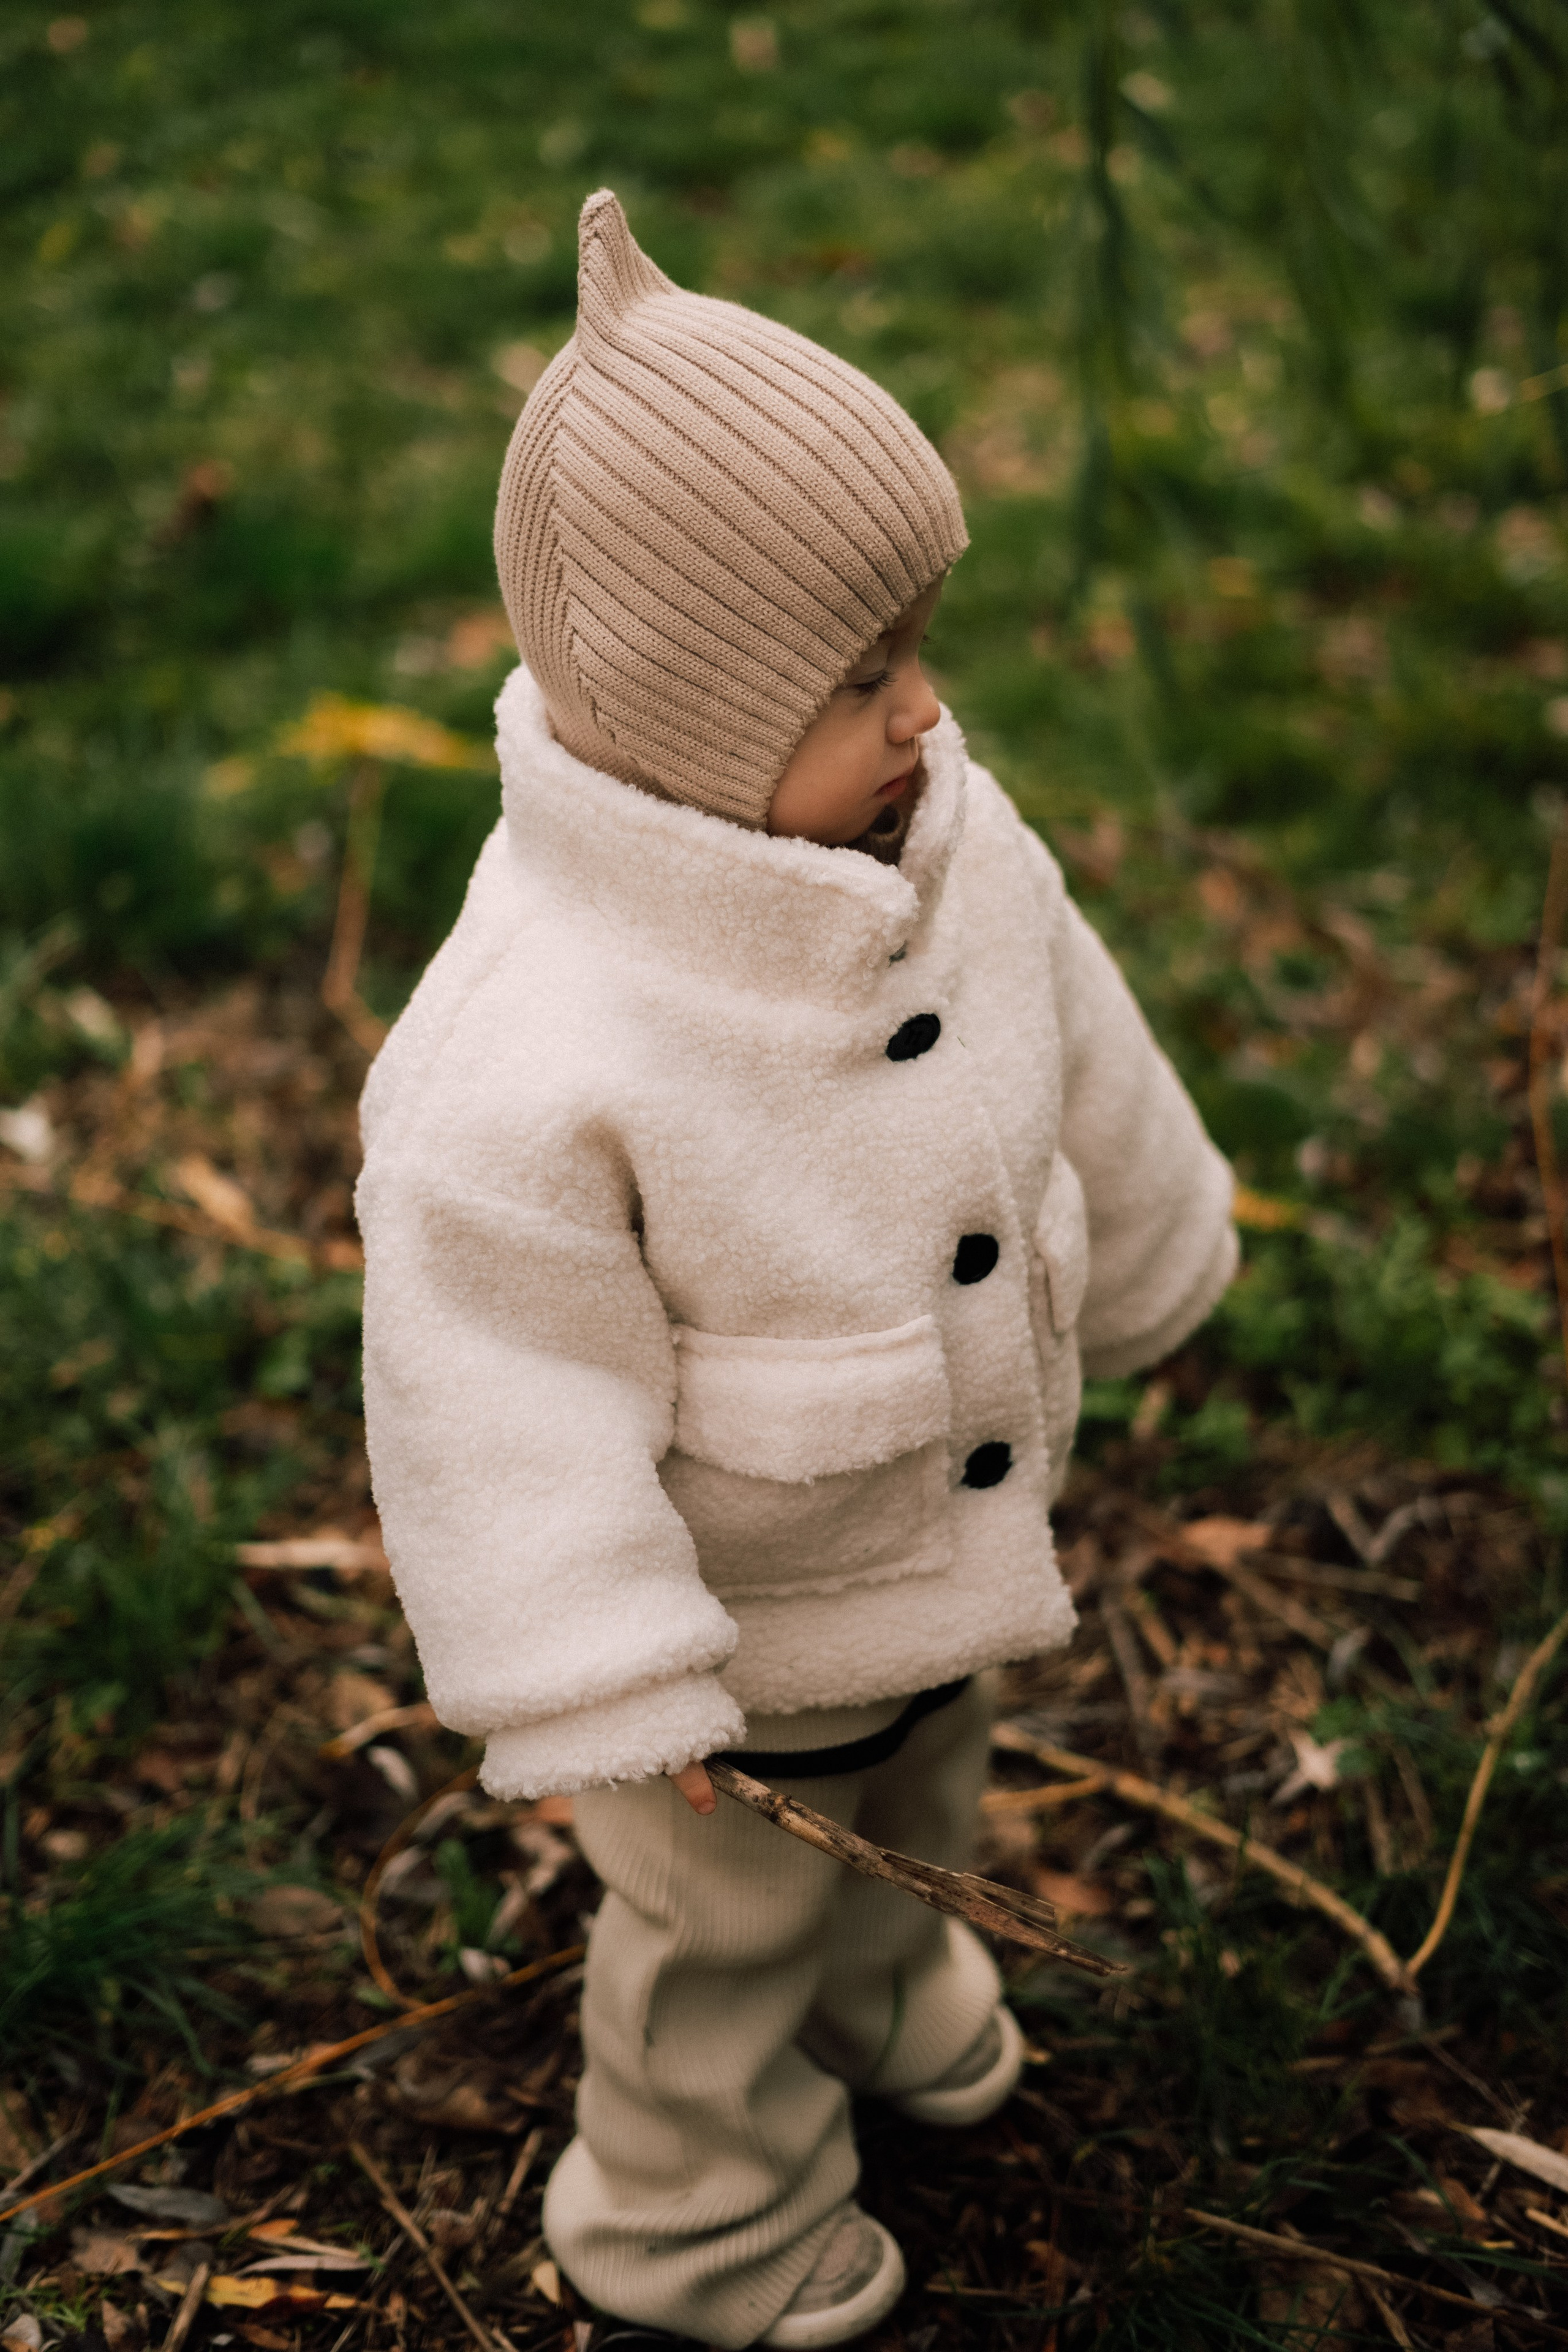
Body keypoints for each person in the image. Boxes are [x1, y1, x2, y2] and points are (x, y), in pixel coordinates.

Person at [355, 190, 1237, 2352]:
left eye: (919, 647)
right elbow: (494, 1378)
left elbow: (1070, 1030)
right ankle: (696, 2215)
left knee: (930, 1773)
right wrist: (605, 1676)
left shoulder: (923, 825)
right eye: (863, 677)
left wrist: (1149, 1237)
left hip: (938, 1520)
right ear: (687, 707)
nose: (926, 712)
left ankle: (887, 1985)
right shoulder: (535, 1043)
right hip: (729, 1632)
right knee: (723, 1924)